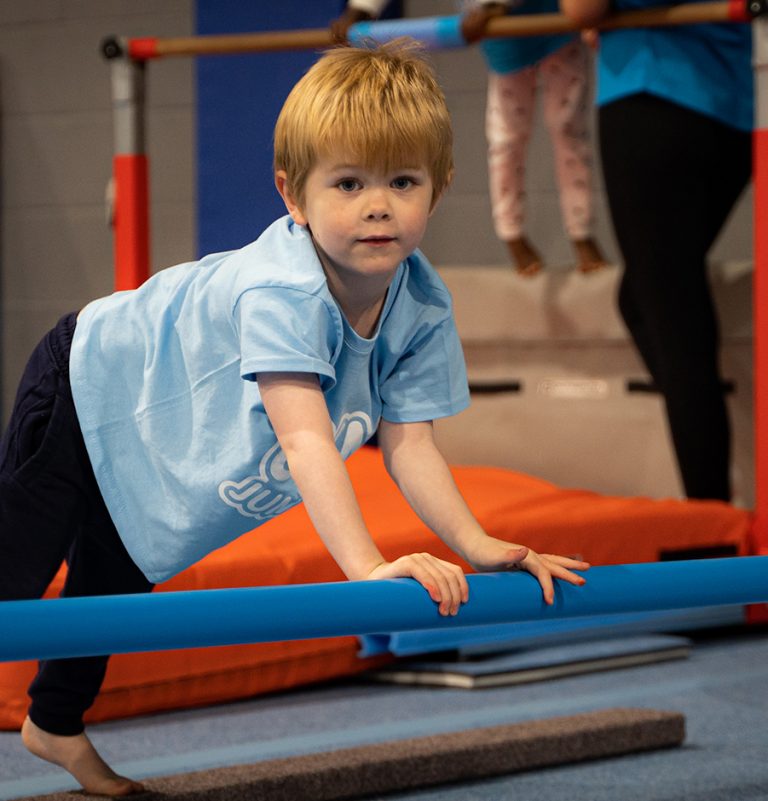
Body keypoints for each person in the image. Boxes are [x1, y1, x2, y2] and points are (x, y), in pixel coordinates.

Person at [0, 41, 589, 796]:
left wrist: (478, 544)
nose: (378, 204)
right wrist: (371, 570)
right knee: (13, 575)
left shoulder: (422, 303)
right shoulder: (283, 289)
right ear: (294, 195)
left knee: (110, 593)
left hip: (159, 442)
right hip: (91, 389)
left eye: (402, 181)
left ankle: (54, 726)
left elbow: (409, 441)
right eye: (348, 182)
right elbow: (306, 437)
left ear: (438, 191)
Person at [560, 0, 753, 501]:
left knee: (674, 321)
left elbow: (582, 8)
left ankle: (711, 528)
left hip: (653, 95)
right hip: (735, 108)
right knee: (645, 302)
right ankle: (712, 509)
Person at [333, 0, 607, 276]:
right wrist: (361, 9)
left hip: (554, 20)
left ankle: (581, 231)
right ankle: (512, 232)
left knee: (568, 131)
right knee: (507, 140)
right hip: (499, 28)